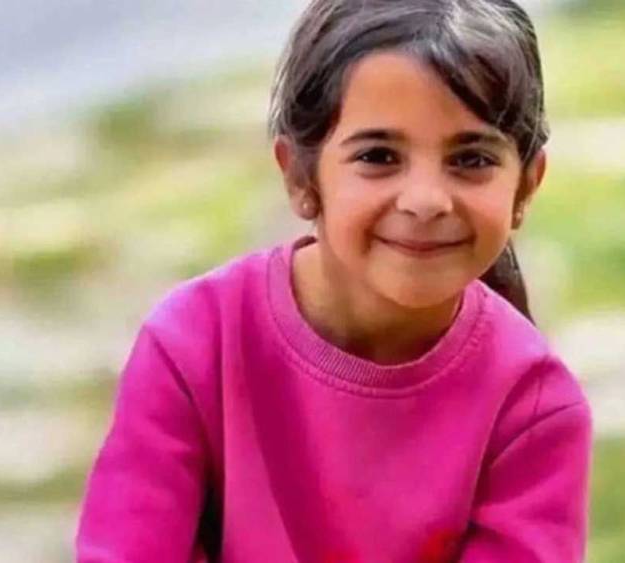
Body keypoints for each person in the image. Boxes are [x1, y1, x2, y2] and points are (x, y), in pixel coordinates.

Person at [75, 1, 592, 561]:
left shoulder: (534, 408)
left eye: (471, 160)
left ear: (526, 186)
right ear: (301, 176)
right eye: (379, 156)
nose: (425, 200)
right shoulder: (194, 343)